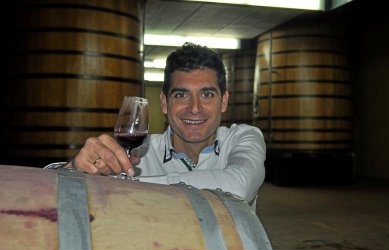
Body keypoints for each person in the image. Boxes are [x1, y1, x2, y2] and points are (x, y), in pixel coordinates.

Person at [49, 42, 266, 206]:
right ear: (164, 102)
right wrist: (75, 169)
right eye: (181, 95)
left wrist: (124, 186)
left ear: (224, 101)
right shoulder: (138, 152)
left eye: (207, 94)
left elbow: (239, 185)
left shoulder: (243, 138)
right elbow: (50, 192)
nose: (195, 108)